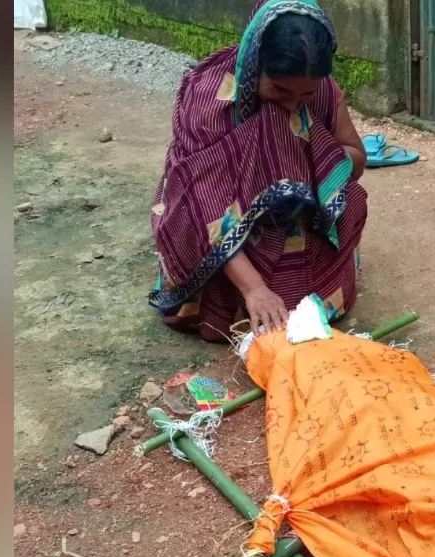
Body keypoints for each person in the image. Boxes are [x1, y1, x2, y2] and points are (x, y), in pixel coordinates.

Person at [147, 0, 367, 342]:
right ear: (254, 65)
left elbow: (356, 159)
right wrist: (255, 290)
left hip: (296, 218)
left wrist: (314, 159)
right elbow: (202, 203)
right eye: (279, 90)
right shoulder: (210, 99)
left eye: (305, 94)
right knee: (228, 312)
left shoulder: (322, 91)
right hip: (215, 227)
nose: (294, 104)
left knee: (345, 196)